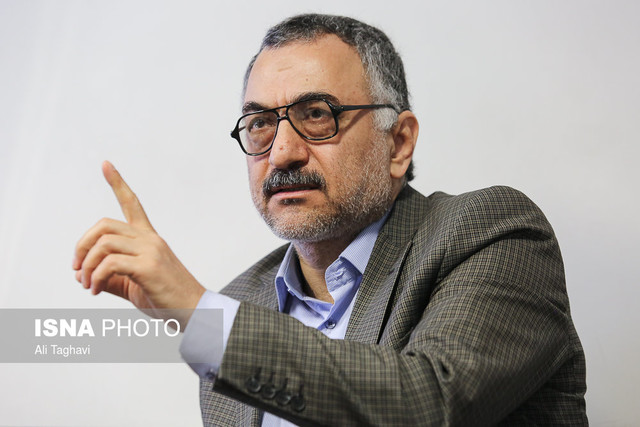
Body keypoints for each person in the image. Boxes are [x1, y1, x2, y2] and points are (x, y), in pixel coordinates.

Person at [73, 13, 587, 426]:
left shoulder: (491, 232)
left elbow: (429, 404)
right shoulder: (240, 303)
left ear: (398, 142)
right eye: (260, 124)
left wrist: (200, 314)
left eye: (317, 114)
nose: (282, 153)